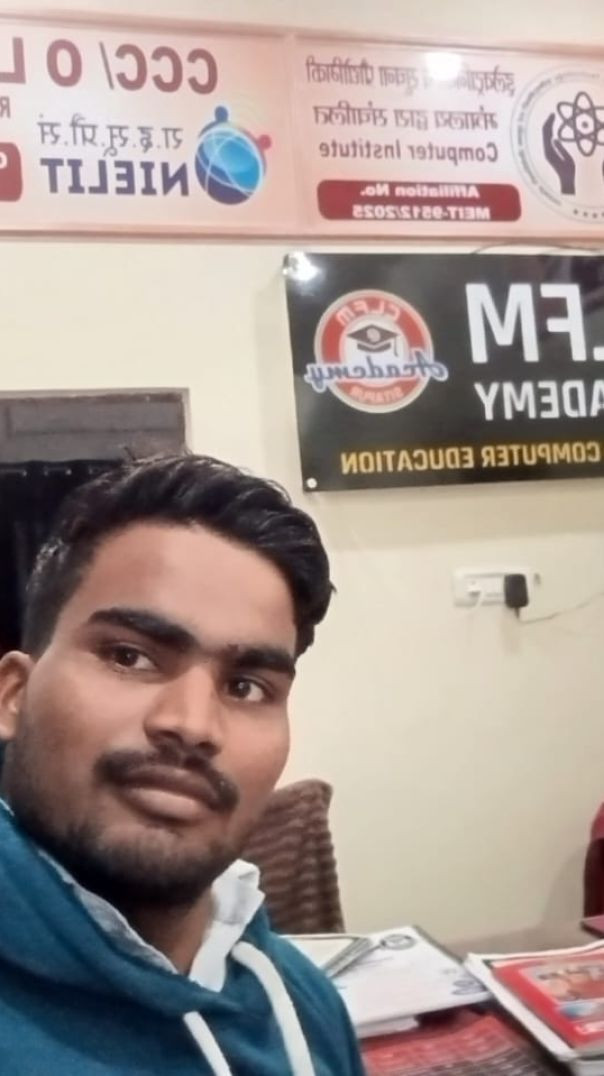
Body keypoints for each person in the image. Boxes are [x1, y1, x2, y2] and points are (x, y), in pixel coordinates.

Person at [0, 454, 365, 1076]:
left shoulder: (304, 1004)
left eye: (246, 686)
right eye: (129, 656)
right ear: (14, 695)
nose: (193, 725)